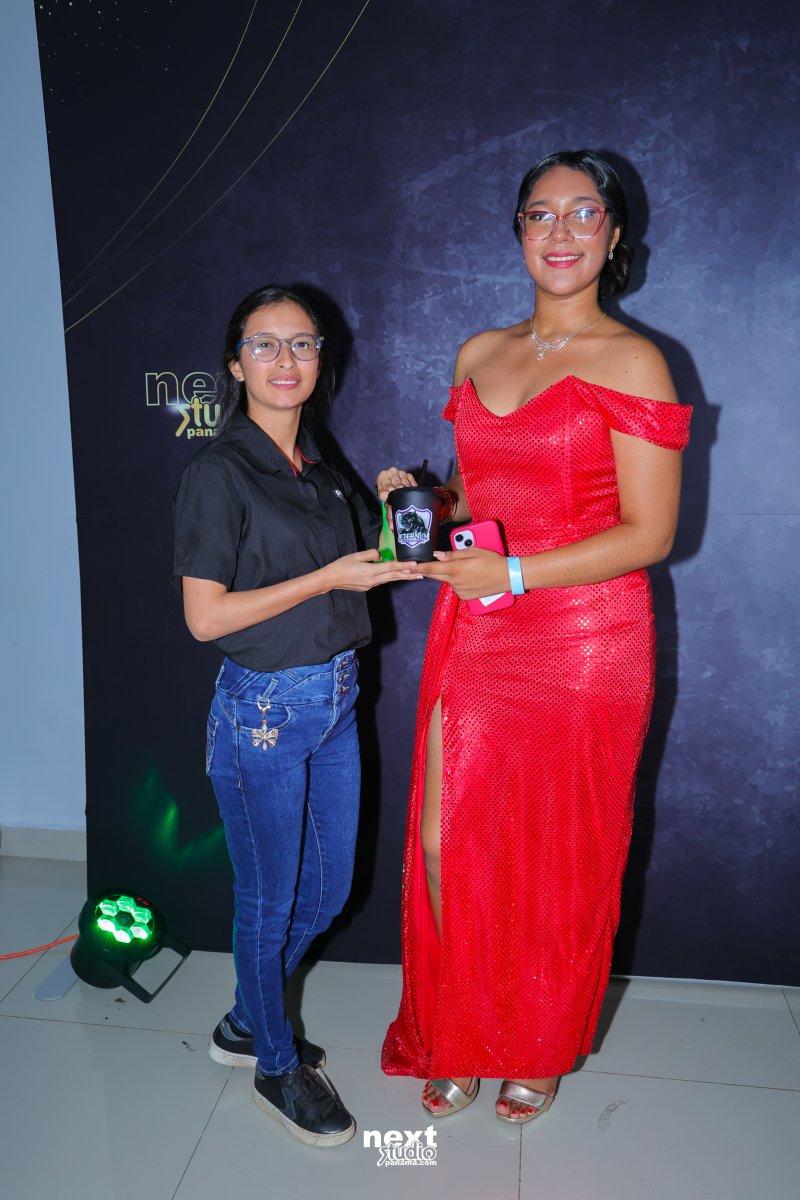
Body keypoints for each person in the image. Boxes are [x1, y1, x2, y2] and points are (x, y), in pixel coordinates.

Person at [378, 150, 692, 1124]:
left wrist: (513, 573)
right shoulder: (478, 351)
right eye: (539, 214)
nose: (560, 232)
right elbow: (480, 491)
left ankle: (535, 1045)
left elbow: (650, 533)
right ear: (517, 232)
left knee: (555, 857)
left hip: (586, 639)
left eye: (582, 213)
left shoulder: (633, 360)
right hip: (480, 628)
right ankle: (463, 1026)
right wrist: (426, 502)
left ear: (613, 235)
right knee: (444, 841)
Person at [172, 284, 419, 1147]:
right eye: (265, 344)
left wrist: (390, 508)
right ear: (236, 364)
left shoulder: (316, 463)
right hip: (265, 715)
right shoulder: (219, 472)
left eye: (302, 344)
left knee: (326, 891)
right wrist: (326, 578)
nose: (286, 360)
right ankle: (274, 1065)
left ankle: (249, 1017)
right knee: (269, 902)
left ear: (321, 360)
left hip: (335, 702)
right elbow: (205, 618)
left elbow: (361, 570)